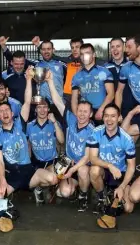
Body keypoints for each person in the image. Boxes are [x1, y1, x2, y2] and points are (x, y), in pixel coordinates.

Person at [0, 67, 59, 232]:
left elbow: (27, 101)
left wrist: (28, 79)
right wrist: (3, 182)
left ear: (12, 112)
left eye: (7, 110)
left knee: (53, 179)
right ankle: (6, 206)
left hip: (29, 172)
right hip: (11, 175)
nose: (5, 113)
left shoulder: (21, 123)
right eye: (1, 112)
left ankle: (37, 188)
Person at [46, 68, 94, 212]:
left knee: (83, 171)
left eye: (85, 112)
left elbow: (86, 158)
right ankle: (76, 185)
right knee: (64, 192)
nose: (82, 114)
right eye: (80, 110)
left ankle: (83, 196)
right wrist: (49, 81)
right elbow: (56, 100)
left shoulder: (93, 131)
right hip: (68, 161)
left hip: (83, 164)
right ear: (76, 110)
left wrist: (72, 169)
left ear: (91, 114)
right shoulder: (71, 119)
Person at [88, 104, 137, 214]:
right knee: (94, 170)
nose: (109, 120)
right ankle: (102, 198)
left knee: (128, 208)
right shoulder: (96, 132)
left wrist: (123, 186)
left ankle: (116, 190)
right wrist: (110, 166)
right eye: (106, 116)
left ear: (119, 118)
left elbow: (131, 167)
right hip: (104, 170)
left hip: (120, 173)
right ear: (103, 118)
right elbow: (93, 158)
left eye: (113, 116)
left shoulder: (127, 139)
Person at [71, 43, 115, 125]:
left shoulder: (103, 72)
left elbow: (111, 94)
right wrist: (76, 115)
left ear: (94, 54)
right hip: (85, 113)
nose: (84, 56)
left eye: (87, 53)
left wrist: (101, 110)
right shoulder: (77, 76)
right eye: (82, 54)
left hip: (101, 112)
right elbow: (74, 99)